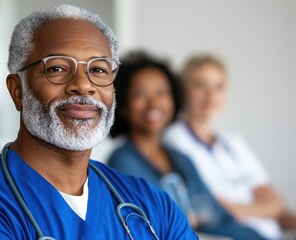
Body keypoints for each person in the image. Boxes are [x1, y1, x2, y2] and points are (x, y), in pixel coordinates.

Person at [0, 5, 198, 239]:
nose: (83, 86)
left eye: (99, 69)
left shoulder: (154, 207)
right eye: (58, 69)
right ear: (18, 90)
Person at [163, 54, 296, 240]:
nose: (212, 95)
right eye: (201, 85)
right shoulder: (175, 140)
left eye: (219, 86)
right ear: (183, 90)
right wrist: (260, 209)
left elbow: (275, 202)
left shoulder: (233, 142)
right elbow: (211, 208)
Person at [107, 52, 265, 239]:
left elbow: (219, 216)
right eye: (140, 94)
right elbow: (155, 226)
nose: (154, 103)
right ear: (123, 104)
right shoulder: (122, 162)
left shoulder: (181, 159)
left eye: (161, 92)